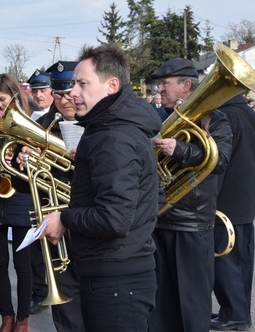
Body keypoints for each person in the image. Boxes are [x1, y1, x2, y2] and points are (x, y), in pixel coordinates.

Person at [41, 43, 161, 332]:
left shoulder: (114, 137)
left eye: (83, 84)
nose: (73, 92)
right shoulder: (110, 129)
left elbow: (113, 219)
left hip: (116, 280)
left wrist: (65, 218)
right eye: (74, 84)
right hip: (117, 272)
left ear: (112, 86)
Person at [148, 58, 233, 332]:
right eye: (159, 84)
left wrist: (181, 150)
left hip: (192, 223)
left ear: (186, 85)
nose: (159, 89)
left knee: (193, 303)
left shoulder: (216, 119)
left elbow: (220, 161)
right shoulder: (158, 118)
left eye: (165, 84)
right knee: (161, 301)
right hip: (160, 218)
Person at [0, 73, 35, 332]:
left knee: (22, 263)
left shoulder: (29, 122)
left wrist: (27, 158)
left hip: (22, 197)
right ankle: (7, 317)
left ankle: (23, 319)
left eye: (1, 100)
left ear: (14, 95)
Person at [34, 61, 85, 332]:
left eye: (69, 94)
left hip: (89, 223)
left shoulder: (97, 121)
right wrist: (24, 162)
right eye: (58, 94)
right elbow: (26, 184)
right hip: (56, 225)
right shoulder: (43, 125)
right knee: (65, 313)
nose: (65, 101)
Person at [211, 94, 255, 331]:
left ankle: (233, 314)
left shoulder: (225, 115)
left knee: (224, 260)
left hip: (226, 199)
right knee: (243, 261)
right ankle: (240, 312)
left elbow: (218, 160)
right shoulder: (251, 114)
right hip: (245, 196)